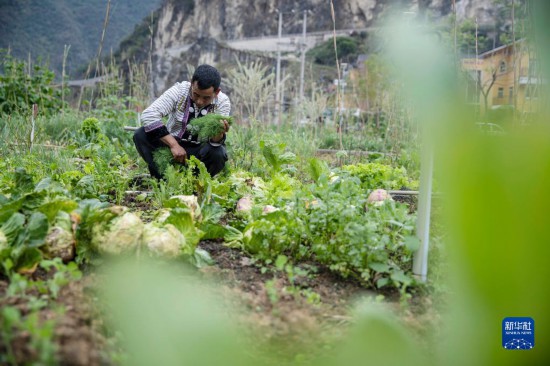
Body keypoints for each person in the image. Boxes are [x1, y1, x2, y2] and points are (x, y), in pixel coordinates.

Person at [133, 64, 231, 179]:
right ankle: (162, 178)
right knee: (141, 135)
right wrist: (174, 145)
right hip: (170, 145)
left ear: (217, 92)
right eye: (196, 94)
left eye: (206, 98)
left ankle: (197, 182)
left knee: (217, 153)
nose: (199, 101)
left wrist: (219, 133)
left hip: (199, 150)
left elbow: (214, 142)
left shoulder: (223, 102)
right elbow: (149, 115)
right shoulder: (179, 91)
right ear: (191, 84)